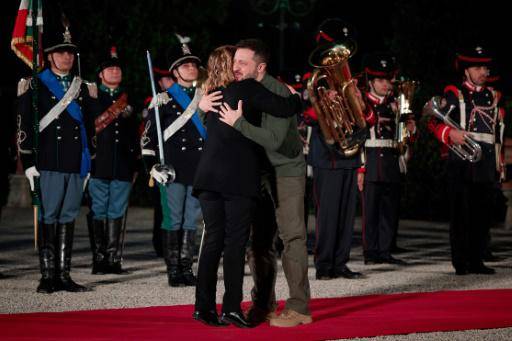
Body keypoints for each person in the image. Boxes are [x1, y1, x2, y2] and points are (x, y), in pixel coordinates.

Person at [192, 45, 303, 328]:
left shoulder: (212, 95)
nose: (240, 67)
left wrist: (199, 106)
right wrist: (297, 97)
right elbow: (284, 107)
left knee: (213, 241)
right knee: (235, 244)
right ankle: (230, 308)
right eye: (237, 62)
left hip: (207, 176)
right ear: (231, 66)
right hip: (236, 178)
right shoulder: (248, 89)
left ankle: (203, 308)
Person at [17, 21, 95, 293]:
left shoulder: (82, 87)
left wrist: (88, 163)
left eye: (70, 53)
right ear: (49, 56)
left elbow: (89, 127)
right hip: (48, 161)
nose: (67, 57)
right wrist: (27, 163)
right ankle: (47, 276)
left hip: (75, 161)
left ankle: (64, 274)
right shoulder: (35, 85)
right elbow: (24, 125)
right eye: (61, 52)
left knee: (68, 215)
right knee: (50, 215)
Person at [306, 19, 374, 282]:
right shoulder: (313, 79)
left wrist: (356, 100)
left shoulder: (352, 81)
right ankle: (324, 264)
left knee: (347, 214)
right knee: (328, 212)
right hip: (327, 156)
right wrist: (325, 102)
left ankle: (340, 262)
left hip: (351, 154)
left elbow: (369, 119)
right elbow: (307, 115)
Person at [428, 44, 504, 275]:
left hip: (486, 160)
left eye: (485, 67)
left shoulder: (491, 95)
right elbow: (434, 122)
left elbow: (496, 132)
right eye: (478, 67)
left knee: (482, 214)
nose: (484, 71)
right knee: (461, 213)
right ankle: (461, 261)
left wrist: (499, 164)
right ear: (466, 71)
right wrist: (450, 133)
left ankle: (477, 259)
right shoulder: (455, 93)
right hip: (461, 163)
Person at [141, 34, 203, 287]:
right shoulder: (163, 101)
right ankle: (174, 271)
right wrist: (152, 167)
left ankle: (187, 269)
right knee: (173, 219)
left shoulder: (205, 98)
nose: (191, 67)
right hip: (173, 170)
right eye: (185, 64)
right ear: (175, 71)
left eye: (193, 63)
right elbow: (147, 140)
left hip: (199, 169)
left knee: (191, 220)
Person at [88, 47, 140, 275]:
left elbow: (137, 132)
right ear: (100, 74)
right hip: (98, 162)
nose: (115, 71)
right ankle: (99, 260)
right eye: (110, 68)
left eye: (118, 68)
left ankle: (113, 259)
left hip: (123, 162)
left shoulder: (129, 97)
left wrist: (137, 162)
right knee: (99, 209)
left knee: (118, 209)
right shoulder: (91, 97)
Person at [361, 53, 416, 265]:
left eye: (388, 80)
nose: (386, 84)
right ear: (372, 82)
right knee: (371, 210)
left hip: (391, 160)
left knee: (389, 209)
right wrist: (360, 168)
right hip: (372, 159)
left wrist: (411, 129)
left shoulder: (398, 104)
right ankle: (370, 252)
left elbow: (407, 134)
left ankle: (385, 250)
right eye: (381, 80)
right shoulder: (363, 103)